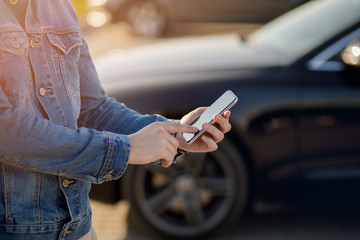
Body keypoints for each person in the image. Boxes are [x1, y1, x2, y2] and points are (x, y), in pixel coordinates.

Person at [0, 0, 232, 239]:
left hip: (79, 229)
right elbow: (5, 130)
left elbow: (92, 107)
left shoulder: (59, 6)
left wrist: (175, 134)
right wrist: (124, 150)